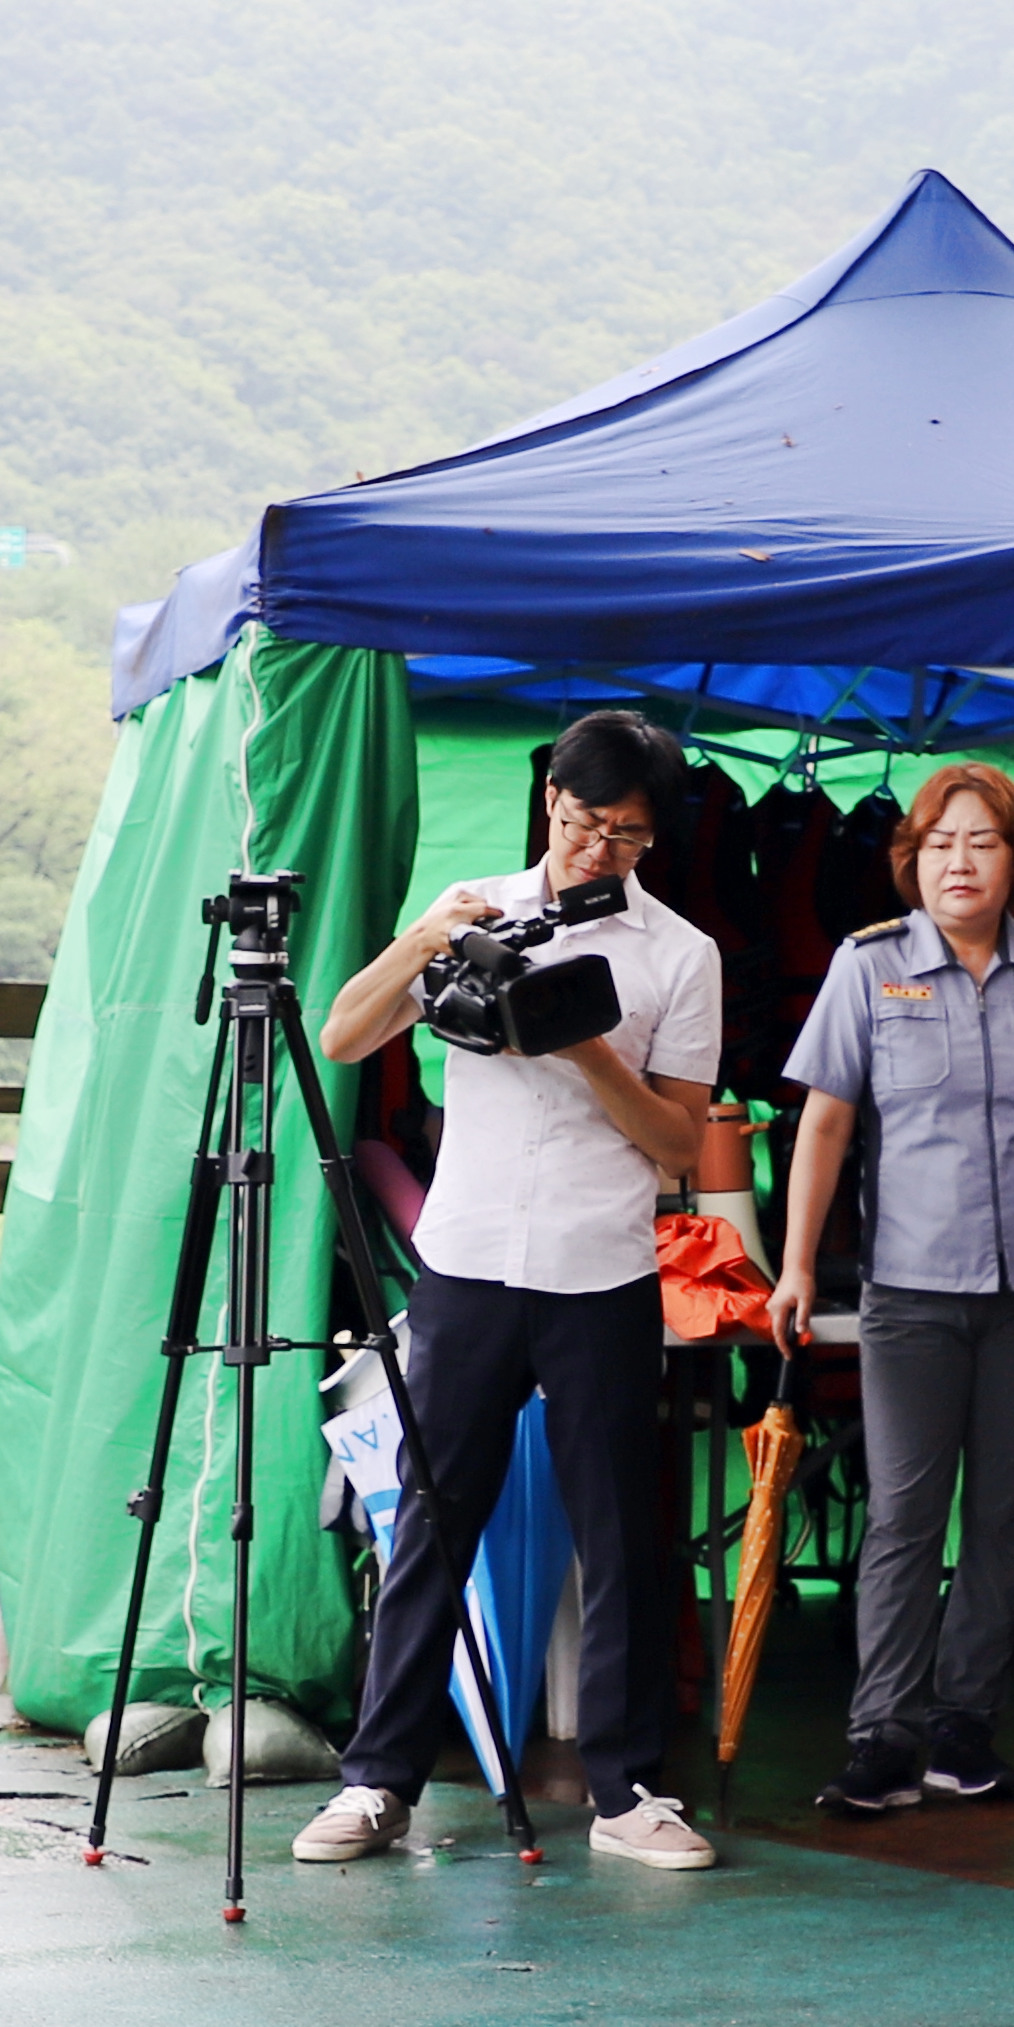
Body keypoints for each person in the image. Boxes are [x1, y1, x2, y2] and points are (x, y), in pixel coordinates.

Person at [296, 709, 727, 1871]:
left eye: (627, 836)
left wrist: (585, 1046)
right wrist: (429, 936)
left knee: (620, 1533)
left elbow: (680, 1147)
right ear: (548, 797)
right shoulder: (469, 905)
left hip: (601, 1266)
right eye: (585, 822)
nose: (598, 851)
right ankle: (376, 1781)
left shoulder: (680, 954)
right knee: (432, 1514)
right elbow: (340, 1037)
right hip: (469, 1258)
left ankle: (628, 1793)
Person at [778, 763, 1014, 1810]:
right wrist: (795, 1262)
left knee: (1004, 1517)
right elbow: (824, 1123)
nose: (958, 862)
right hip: (910, 1291)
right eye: (938, 844)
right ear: (911, 861)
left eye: (980, 843)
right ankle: (881, 1732)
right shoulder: (868, 967)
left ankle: (963, 1728)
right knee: (902, 1515)